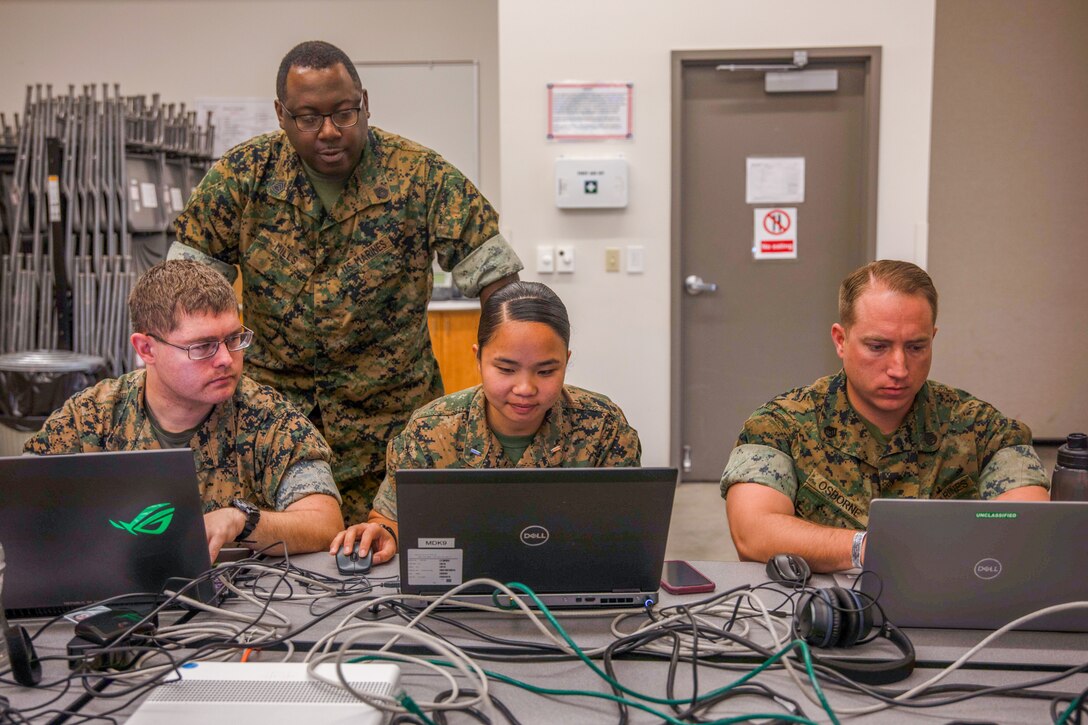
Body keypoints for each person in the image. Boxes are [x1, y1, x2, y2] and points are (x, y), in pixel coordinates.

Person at [169, 40, 522, 524]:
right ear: (282, 114)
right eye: (309, 117)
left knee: (403, 569)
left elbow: (501, 282)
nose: (330, 131)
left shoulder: (419, 175)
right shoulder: (242, 177)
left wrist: (508, 371)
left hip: (395, 428)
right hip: (274, 429)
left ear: (366, 103)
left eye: (345, 113)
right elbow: (183, 294)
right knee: (278, 571)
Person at [720, 260, 1050, 573]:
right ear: (841, 340)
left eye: (916, 347)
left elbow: (1032, 529)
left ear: (932, 339)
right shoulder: (781, 424)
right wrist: (869, 548)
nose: (899, 369)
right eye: (878, 346)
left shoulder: (981, 427)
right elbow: (754, 532)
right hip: (823, 615)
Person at [24, 260, 344, 562]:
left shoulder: (268, 419)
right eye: (202, 346)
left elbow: (325, 523)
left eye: (234, 339)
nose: (225, 359)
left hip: (236, 605)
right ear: (146, 348)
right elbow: (18, 503)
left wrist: (242, 521)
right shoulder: (91, 416)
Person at [330, 281, 642, 564]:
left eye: (546, 371)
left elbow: (629, 531)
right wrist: (384, 533)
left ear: (566, 360)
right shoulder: (431, 430)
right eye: (506, 369)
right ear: (478, 359)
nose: (525, 388)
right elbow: (390, 518)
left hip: (574, 588)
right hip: (458, 597)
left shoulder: (603, 427)